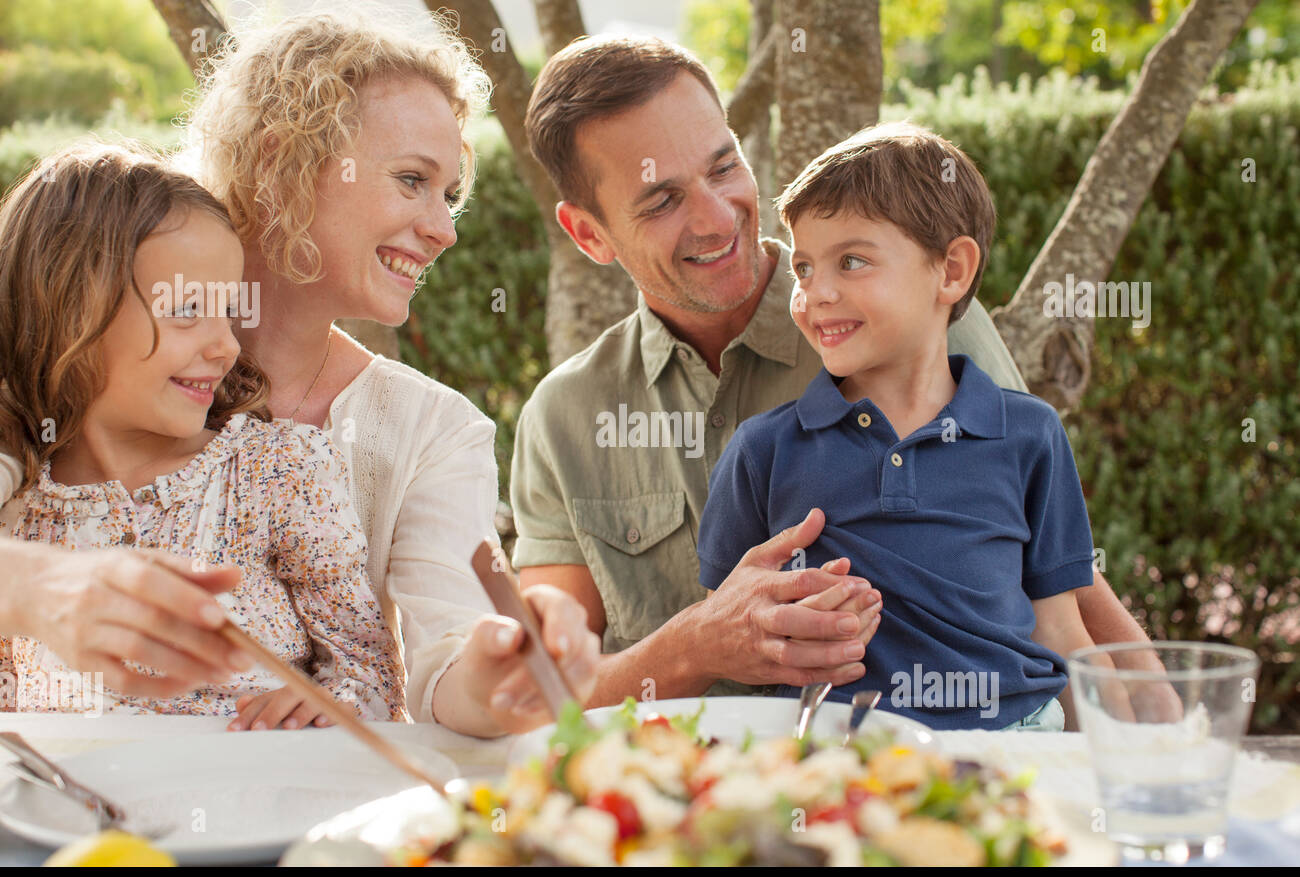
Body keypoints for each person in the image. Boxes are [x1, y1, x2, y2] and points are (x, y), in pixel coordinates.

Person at [510, 35, 1158, 712]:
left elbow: (1057, 575)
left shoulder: (904, 317)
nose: (715, 217)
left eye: (724, 166)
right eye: (661, 200)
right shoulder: (566, 417)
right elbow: (542, 697)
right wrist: (694, 647)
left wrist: (1165, 746)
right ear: (589, 235)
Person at [0, 8, 598, 736]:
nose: (445, 229)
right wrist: (34, 586)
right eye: (412, 180)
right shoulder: (49, 384)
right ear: (284, 165)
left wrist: (502, 668)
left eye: (450, 195)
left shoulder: (426, 431)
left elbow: (442, 657)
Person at [699, 122, 1098, 731]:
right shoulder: (762, 451)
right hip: (836, 753)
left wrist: (1129, 764)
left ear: (952, 270)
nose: (816, 292)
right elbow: (727, 637)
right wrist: (796, 628)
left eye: (852, 261)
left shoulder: (1030, 437)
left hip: (1018, 744)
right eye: (803, 268)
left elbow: (1061, 628)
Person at [0, 141, 404, 725]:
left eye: (228, 313)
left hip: (260, 805)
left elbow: (371, 675)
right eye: (187, 309)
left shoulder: (276, 470)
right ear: (68, 310)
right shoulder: (20, 503)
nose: (226, 347)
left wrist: (329, 707)